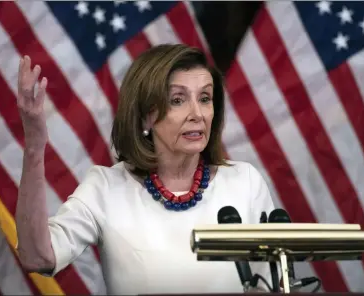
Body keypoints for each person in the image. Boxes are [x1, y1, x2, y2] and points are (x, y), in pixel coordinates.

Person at [15, 44, 275, 294]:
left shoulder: (245, 183)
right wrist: (34, 147)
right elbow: (38, 257)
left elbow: (274, 284)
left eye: (205, 98)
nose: (198, 113)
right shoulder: (106, 188)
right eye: (178, 100)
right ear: (145, 116)